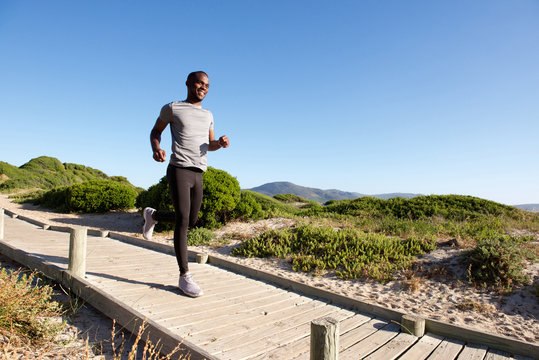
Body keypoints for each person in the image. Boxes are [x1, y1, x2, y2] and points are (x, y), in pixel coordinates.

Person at [142, 71, 229, 297]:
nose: (203, 87)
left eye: (207, 85)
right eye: (200, 83)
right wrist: (156, 148)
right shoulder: (172, 108)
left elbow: (209, 144)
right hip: (179, 167)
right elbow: (155, 131)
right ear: (189, 84)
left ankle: (154, 216)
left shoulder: (208, 114)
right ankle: (185, 276)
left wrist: (218, 143)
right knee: (182, 220)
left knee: (191, 219)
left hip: (199, 171)